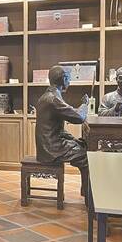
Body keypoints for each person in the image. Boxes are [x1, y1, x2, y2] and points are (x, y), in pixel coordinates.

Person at [35, 65, 90, 201]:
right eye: (69, 79)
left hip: (50, 143)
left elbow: (56, 128)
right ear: (64, 79)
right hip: (51, 148)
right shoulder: (53, 98)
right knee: (86, 158)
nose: (69, 82)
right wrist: (85, 104)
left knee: (82, 146)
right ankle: (89, 197)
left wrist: (73, 139)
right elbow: (79, 117)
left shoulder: (50, 96)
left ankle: (86, 191)